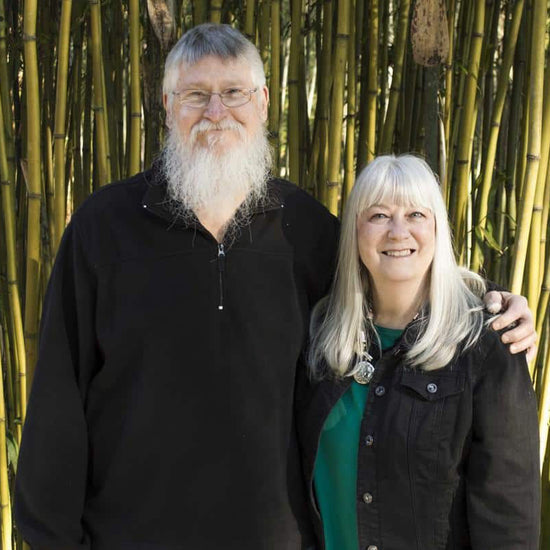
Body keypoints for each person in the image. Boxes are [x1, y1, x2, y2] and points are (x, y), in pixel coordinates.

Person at [14, 25, 535, 550]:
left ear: (262, 102)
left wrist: (488, 301)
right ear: (168, 107)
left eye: (234, 93)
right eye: (196, 95)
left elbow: (396, 269)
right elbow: (58, 398)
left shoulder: (304, 228)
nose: (216, 112)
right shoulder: (105, 228)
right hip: (130, 537)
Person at [297, 155, 540, 550]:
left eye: (415, 214)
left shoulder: (487, 346)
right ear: (354, 232)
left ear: (438, 230)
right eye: (378, 215)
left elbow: (508, 513)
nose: (398, 231)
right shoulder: (321, 340)